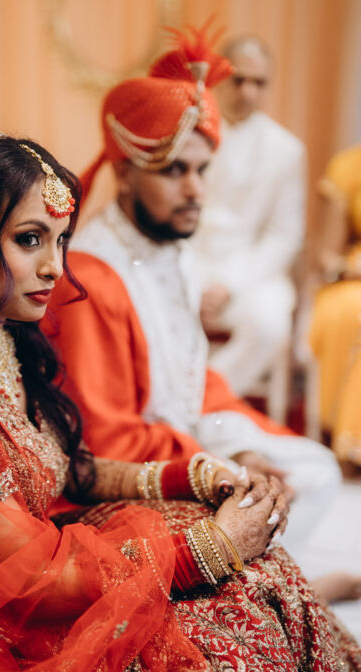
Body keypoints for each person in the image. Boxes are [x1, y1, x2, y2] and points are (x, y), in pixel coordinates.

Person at [0, 129, 359, 672]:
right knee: (222, 631)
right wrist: (209, 549)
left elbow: (71, 472)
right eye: (29, 239)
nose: (54, 267)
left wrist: (195, 476)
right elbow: (31, 586)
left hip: (47, 566)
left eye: (61, 240)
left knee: (257, 574)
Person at [43, 26, 344, 571]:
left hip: (184, 432)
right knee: (254, 495)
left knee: (316, 470)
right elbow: (107, 442)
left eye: (203, 170)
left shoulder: (173, 251)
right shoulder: (91, 279)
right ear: (125, 174)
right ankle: (274, 579)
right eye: (174, 171)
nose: (196, 191)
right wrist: (218, 462)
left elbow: (190, 376)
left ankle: (276, 574)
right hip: (127, 473)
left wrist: (241, 442)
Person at [191, 35, 306, 396]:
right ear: (218, 78)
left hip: (251, 270)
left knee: (270, 324)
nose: (248, 92)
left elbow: (285, 234)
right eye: (239, 80)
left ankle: (206, 393)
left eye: (259, 82)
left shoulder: (287, 150)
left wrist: (229, 283)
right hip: (190, 258)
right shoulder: (187, 135)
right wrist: (195, 278)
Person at [309, 145, 361, 471]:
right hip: (354, 279)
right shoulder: (350, 166)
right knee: (353, 307)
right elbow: (326, 256)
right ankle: (349, 442)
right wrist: (348, 268)